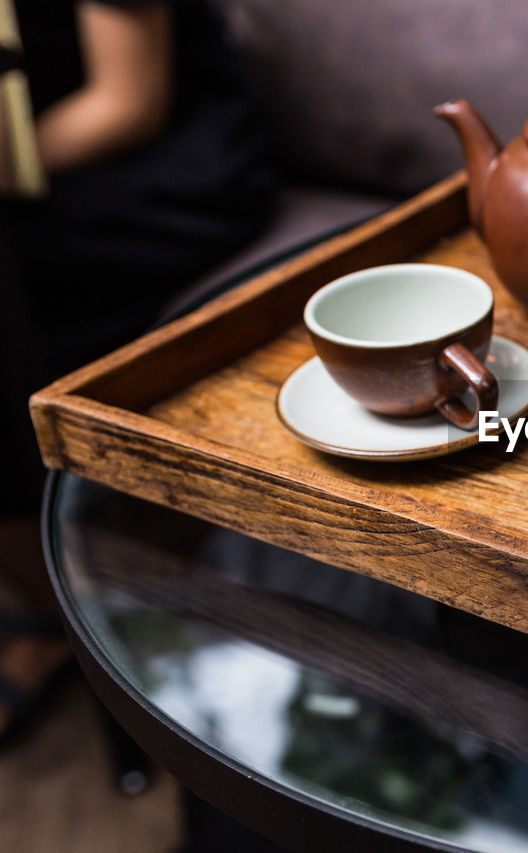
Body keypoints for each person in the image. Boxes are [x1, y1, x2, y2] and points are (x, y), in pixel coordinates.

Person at [0, 0, 275, 742]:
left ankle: (75, 607)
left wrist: (12, 158)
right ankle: (52, 595)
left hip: (164, 167)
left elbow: (128, 102)